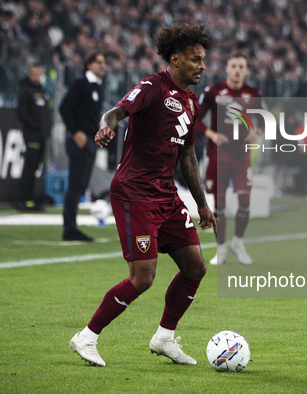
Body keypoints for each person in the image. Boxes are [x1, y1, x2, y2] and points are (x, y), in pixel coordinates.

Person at [69, 24, 216, 367]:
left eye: (203, 59)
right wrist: (107, 125)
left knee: (195, 268)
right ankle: (86, 337)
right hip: (134, 193)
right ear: (175, 59)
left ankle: (164, 338)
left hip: (166, 195)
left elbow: (188, 156)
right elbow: (116, 111)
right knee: (143, 277)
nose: (202, 66)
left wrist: (202, 203)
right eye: (196, 60)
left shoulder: (191, 103)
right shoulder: (151, 87)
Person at [194, 52, 262, 265]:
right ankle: (221, 249)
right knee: (219, 205)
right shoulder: (213, 91)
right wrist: (212, 134)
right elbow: (195, 118)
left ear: (246, 70)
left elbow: (263, 120)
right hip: (218, 155)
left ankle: (238, 243)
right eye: (234, 66)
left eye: (241, 66)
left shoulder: (253, 93)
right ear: (227, 68)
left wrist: (256, 132)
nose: (237, 70)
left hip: (242, 154)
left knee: (244, 202)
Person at [59, 52, 106, 241]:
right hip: (79, 139)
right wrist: (75, 131)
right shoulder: (81, 83)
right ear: (89, 64)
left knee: (81, 185)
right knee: (75, 184)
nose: (103, 66)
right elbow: (65, 107)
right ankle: (69, 228)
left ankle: (72, 226)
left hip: (90, 140)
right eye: (99, 62)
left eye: (104, 63)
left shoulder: (97, 86)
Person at [16, 64, 52, 211]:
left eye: (38, 74)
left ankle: (33, 198)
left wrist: (46, 129)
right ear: (29, 75)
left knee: (36, 167)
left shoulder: (43, 91)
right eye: (33, 74)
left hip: (42, 136)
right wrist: (36, 127)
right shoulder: (25, 91)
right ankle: (25, 200)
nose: (35, 77)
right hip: (32, 135)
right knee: (29, 167)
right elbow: (21, 114)